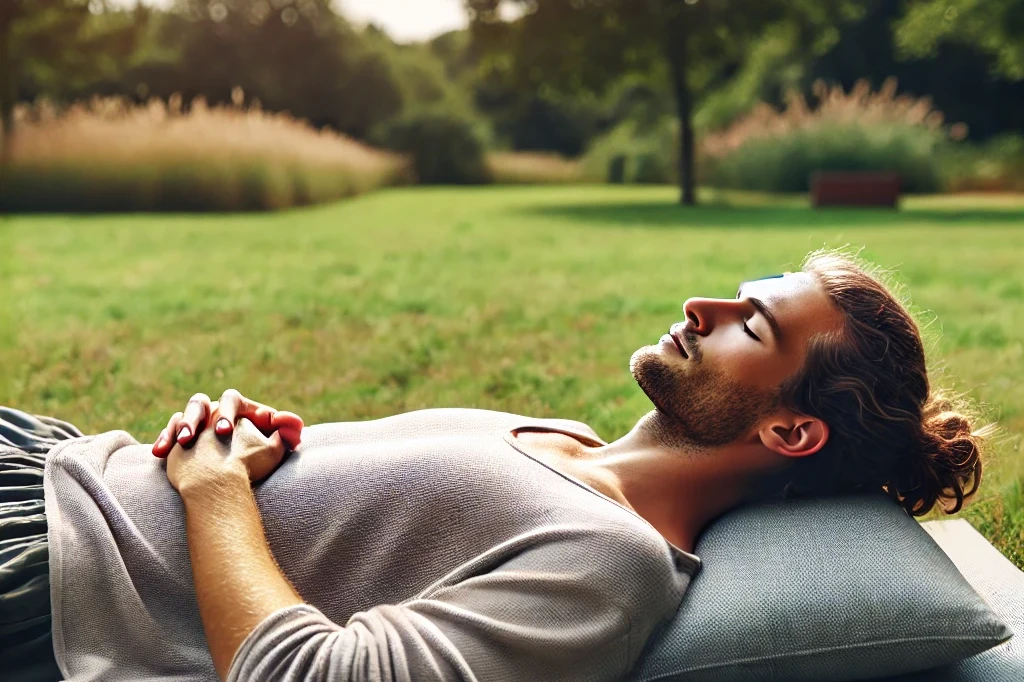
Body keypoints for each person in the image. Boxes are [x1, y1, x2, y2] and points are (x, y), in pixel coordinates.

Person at [0, 248, 987, 682]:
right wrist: (244, 452)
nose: (702, 306)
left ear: (790, 433)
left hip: (44, 581)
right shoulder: (564, 444)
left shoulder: (613, 563)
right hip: (49, 460)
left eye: (751, 324)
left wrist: (215, 495)